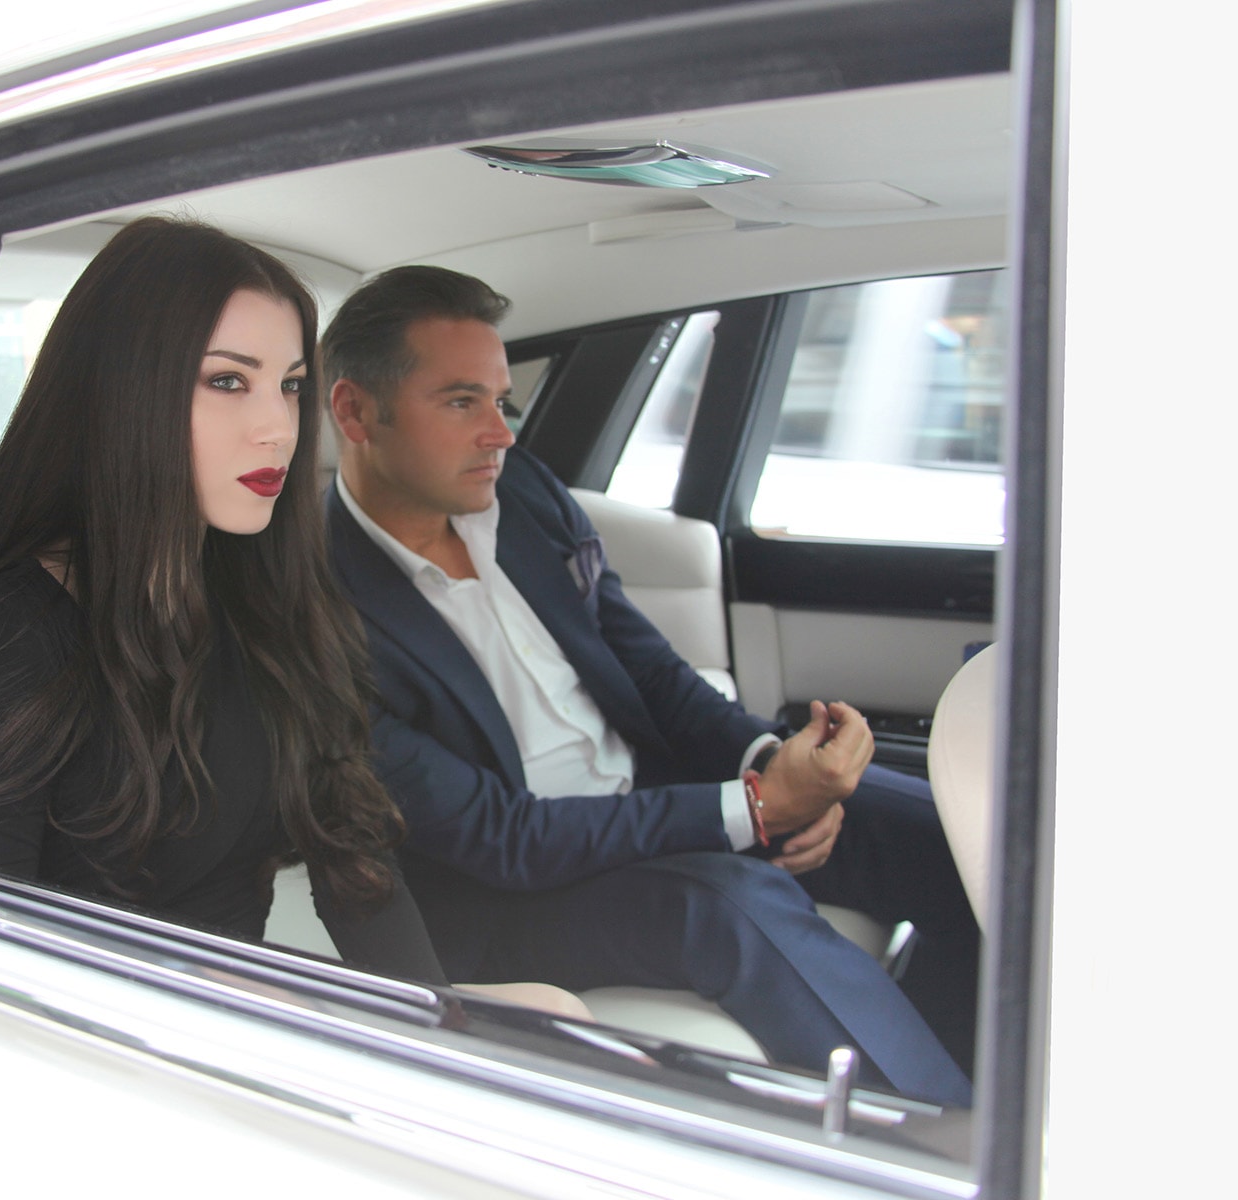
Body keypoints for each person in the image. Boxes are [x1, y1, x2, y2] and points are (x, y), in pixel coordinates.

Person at [320, 264, 979, 1106]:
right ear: (353, 411)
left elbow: (653, 676)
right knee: (731, 904)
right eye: (461, 403)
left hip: (655, 805)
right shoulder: (320, 614)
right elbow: (504, 838)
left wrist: (781, 766)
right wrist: (756, 808)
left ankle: (990, 1077)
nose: (501, 434)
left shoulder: (521, 496)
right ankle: (947, 1153)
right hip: (520, 895)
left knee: (953, 831)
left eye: (503, 401)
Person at [0, 217, 446, 980]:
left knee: (551, 1013)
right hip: (118, 1046)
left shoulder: (266, 598)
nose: (277, 428)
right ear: (126, 390)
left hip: (236, 1013)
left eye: (291, 387)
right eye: (228, 381)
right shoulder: (23, 629)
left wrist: (441, 1024)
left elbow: (354, 868)